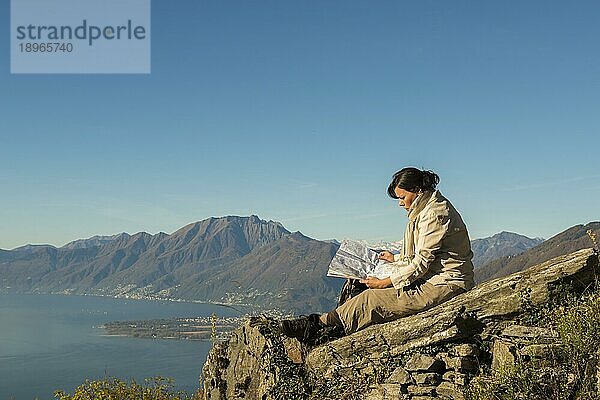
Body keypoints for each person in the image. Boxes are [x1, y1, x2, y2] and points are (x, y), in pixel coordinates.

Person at [280, 167, 475, 342]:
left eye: (402, 197)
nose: (400, 203)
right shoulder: (426, 208)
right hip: (432, 277)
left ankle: (319, 325)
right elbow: (424, 255)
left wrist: (383, 283)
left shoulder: (434, 213)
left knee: (372, 298)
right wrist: (395, 259)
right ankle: (337, 324)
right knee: (358, 283)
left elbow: (421, 263)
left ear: (417, 190)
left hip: (445, 284)